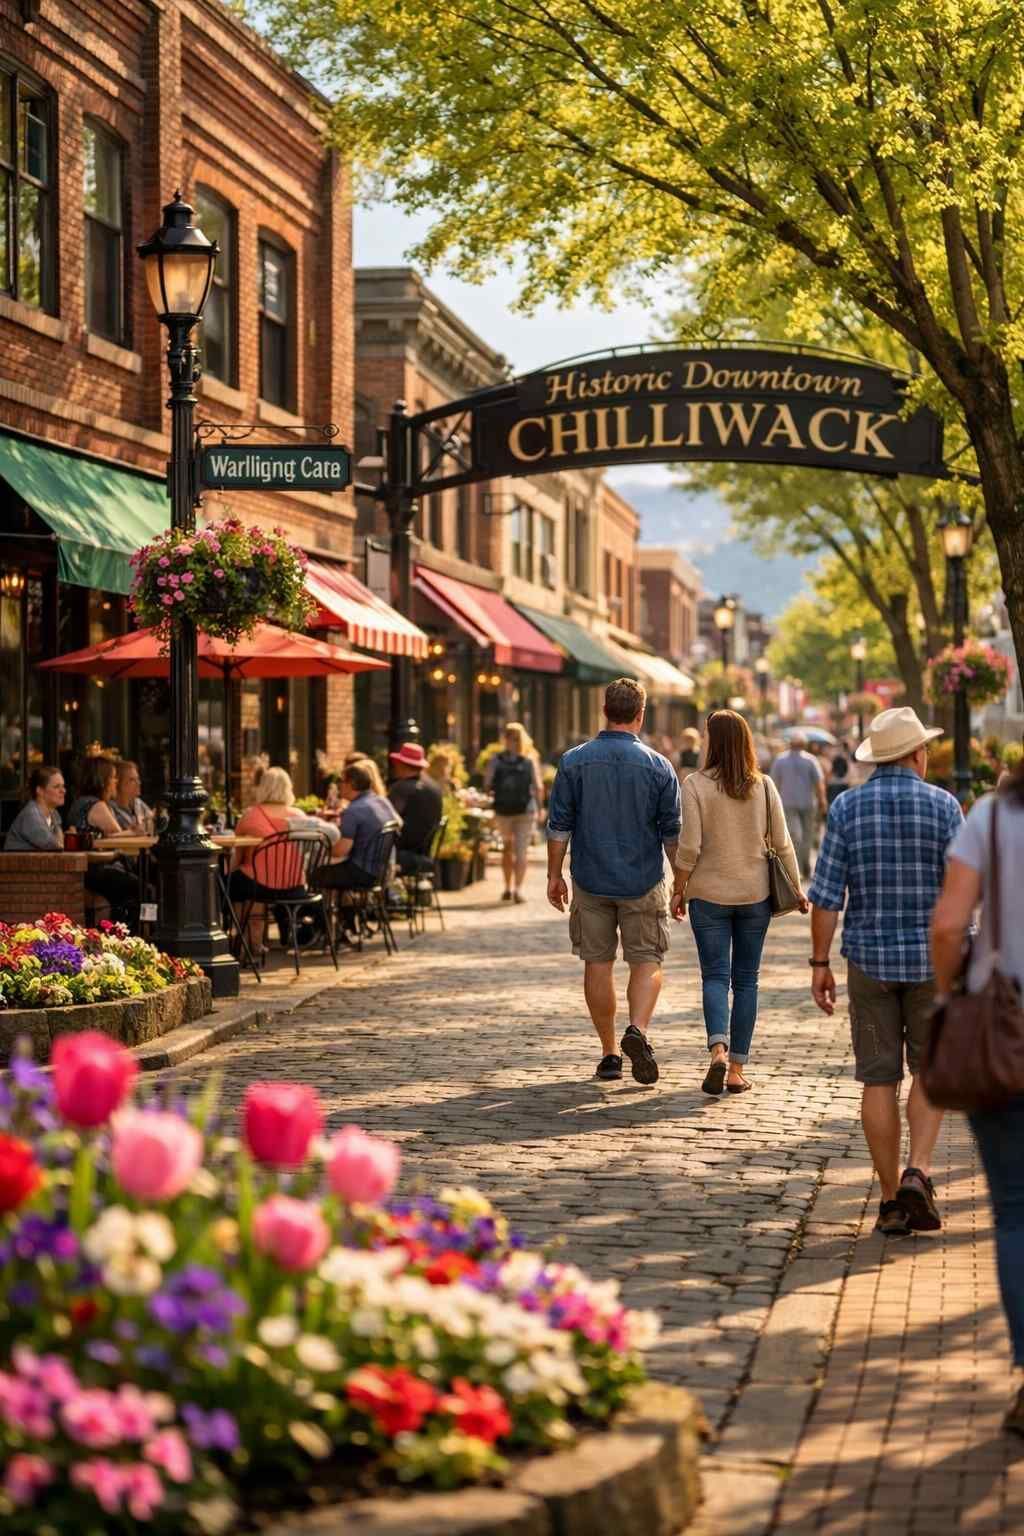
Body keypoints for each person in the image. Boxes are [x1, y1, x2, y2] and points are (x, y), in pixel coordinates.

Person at [808, 706, 961, 1237]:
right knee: (928, 1071)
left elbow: (826, 896)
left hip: (869, 963)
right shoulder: (944, 806)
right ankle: (918, 1168)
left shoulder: (848, 808)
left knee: (878, 1079)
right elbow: (964, 894)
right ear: (918, 754)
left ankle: (893, 1198)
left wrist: (820, 962)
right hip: (930, 962)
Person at [931, 761, 1024, 1436]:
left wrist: (949, 993)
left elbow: (947, 925)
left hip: (1006, 1033)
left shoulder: (993, 816)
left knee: (1016, 1212)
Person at [547, 677, 681, 1085]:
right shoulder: (660, 766)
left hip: (590, 879)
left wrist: (554, 874)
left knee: (597, 963)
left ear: (604, 711)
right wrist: (682, 883)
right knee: (647, 960)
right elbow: (672, 833)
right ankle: (637, 1029)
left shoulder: (573, 761)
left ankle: (608, 1053)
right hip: (643, 878)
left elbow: (558, 827)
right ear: (640, 714)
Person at [671, 711, 806, 1094]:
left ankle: (717, 1048)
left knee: (714, 976)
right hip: (754, 896)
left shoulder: (694, 784)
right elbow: (782, 844)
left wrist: (678, 888)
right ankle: (735, 1071)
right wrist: (796, 889)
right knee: (746, 981)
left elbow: (690, 847)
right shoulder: (763, 786)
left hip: (708, 895)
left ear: (711, 741)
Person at [65, 756, 144, 928]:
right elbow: (115, 834)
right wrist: (134, 831)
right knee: (137, 887)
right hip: (94, 869)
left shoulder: (80, 802)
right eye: (113, 777)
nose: (115, 782)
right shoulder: (96, 805)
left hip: (84, 868)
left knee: (133, 885)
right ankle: (120, 933)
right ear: (103, 781)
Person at [316, 761, 401, 910]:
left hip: (363, 873)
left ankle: (324, 928)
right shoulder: (381, 801)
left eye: (341, 781)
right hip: (384, 871)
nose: (338, 785)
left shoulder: (353, 810)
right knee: (334, 872)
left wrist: (319, 847)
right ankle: (344, 922)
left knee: (315, 875)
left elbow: (341, 850)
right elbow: (399, 824)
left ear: (352, 784)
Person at [485, 723, 544, 904]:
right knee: (521, 851)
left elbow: (487, 785)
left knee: (507, 848)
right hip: (525, 810)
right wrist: (541, 809)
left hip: (503, 810)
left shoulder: (496, 760)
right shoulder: (529, 760)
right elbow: (539, 787)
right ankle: (518, 890)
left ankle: (508, 888)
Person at [771, 731, 826, 877]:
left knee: (793, 835)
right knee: (807, 835)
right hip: (807, 802)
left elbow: (773, 784)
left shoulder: (780, 760)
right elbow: (819, 784)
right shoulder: (811, 760)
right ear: (804, 744)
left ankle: (797, 867)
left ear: (790, 744)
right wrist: (822, 801)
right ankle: (804, 865)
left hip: (787, 803)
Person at [387, 742, 443, 877]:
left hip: (403, 853)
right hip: (424, 852)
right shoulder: (434, 787)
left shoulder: (401, 788)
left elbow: (385, 819)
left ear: (402, 765)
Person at [4, 766, 66, 851]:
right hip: (20, 863)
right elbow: (53, 845)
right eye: (56, 787)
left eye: (63, 786)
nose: (63, 791)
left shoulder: (54, 814)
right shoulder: (31, 815)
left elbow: (60, 845)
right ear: (40, 790)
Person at [111, 760, 154, 833]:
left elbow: (153, 825)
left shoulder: (138, 803)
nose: (139, 783)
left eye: (138, 779)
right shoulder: (110, 808)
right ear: (117, 784)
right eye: (132, 780)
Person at [827, 741, 851, 806]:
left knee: (834, 803)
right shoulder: (847, 757)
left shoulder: (835, 757)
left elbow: (832, 769)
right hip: (843, 782)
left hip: (835, 783)